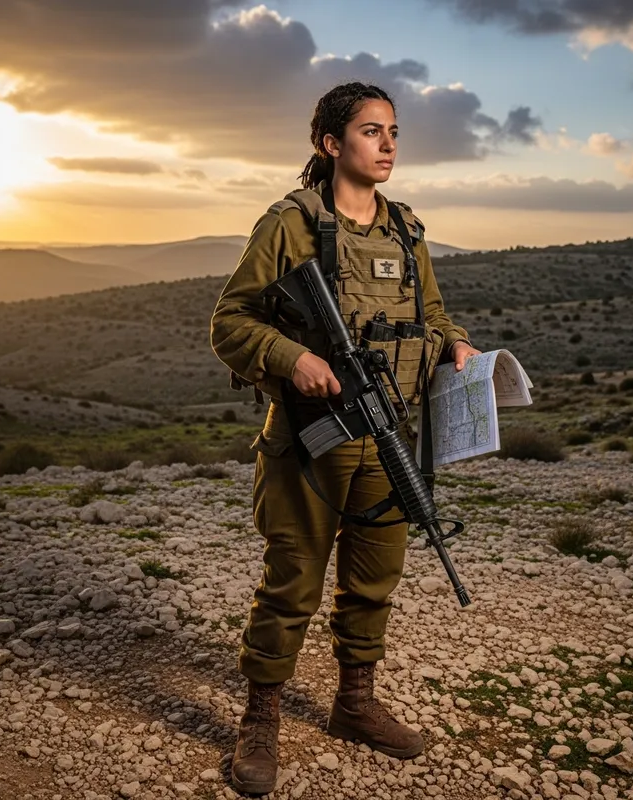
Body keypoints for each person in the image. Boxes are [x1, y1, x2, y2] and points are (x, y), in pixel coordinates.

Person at [210, 81, 480, 795]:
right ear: (331, 144)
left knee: (374, 579)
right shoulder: (289, 225)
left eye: (393, 131)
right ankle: (261, 719)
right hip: (309, 440)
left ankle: (354, 704)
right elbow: (230, 324)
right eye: (370, 131)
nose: (388, 144)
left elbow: (437, 314)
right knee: (292, 581)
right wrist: (291, 358)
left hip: (390, 433)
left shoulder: (407, 231)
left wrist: (454, 346)